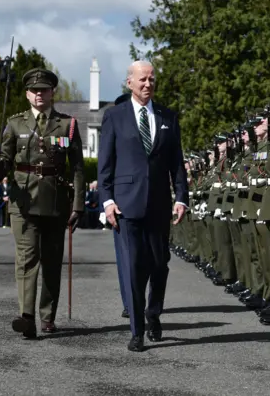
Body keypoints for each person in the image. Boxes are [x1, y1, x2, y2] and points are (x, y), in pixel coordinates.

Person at [98, 60, 189, 352]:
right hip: (127, 206)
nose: (148, 84)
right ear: (129, 83)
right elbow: (105, 165)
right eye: (142, 80)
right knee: (134, 267)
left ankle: (154, 313)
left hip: (160, 204)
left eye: (151, 79)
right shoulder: (115, 116)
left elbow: (177, 164)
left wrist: (182, 197)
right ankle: (137, 330)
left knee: (160, 265)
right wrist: (108, 201)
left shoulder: (168, 117)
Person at [0, 68, 85, 339]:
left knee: (52, 261)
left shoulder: (67, 124)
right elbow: (5, 160)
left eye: (44, 90)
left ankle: (47, 316)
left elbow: (78, 168)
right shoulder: (15, 123)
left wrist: (78, 205)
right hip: (23, 201)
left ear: (51, 92)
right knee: (26, 259)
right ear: (26, 94)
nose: (39, 94)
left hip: (55, 202)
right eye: (34, 90)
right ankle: (27, 317)